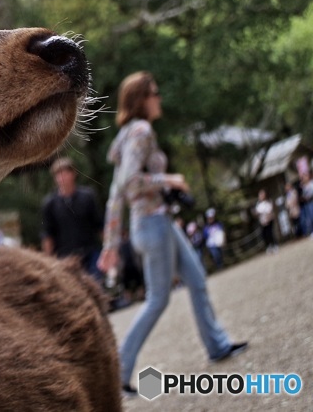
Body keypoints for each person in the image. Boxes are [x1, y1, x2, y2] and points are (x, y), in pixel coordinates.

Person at [97, 71, 246, 397]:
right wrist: (171, 180)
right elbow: (130, 184)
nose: (159, 97)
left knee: (196, 279)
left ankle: (217, 344)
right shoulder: (140, 131)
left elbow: (114, 196)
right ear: (141, 99)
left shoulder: (125, 137)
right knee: (157, 299)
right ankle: (117, 371)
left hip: (156, 224)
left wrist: (110, 243)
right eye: (155, 92)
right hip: (153, 224)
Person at [41, 157, 104, 281]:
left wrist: (108, 248)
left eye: (65, 173)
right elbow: (48, 235)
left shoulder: (87, 197)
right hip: (65, 258)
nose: (62, 177)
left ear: (73, 173)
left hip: (89, 253)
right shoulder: (50, 203)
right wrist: (47, 262)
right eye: (58, 174)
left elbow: (99, 225)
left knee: (96, 286)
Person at [254, 189, 278, 253]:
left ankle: (274, 245)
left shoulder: (268, 202)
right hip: (262, 221)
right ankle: (269, 246)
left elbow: (269, 211)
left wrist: (267, 219)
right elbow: (257, 212)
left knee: (270, 233)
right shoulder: (258, 204)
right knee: (264, 235)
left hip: (268, 220)